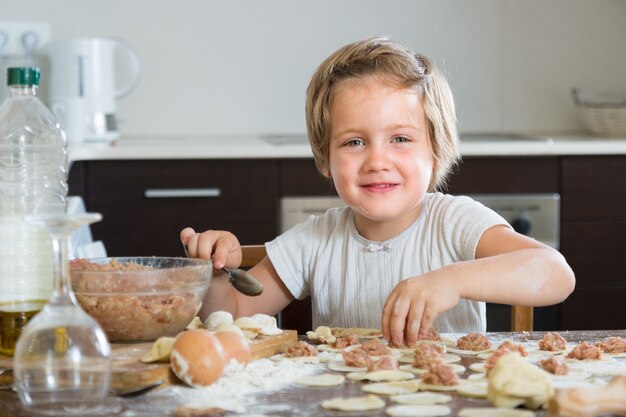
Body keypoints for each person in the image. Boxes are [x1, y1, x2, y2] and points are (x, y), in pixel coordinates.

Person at [181, 37, 575, 347]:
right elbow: (231, 317)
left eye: (400, 138)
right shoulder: (314, 240)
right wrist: (215, 276)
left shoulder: (455, 222)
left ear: (436, 152)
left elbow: (555, 273)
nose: (376, 160)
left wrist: (451, 280)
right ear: (325, 159)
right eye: (354, 142)